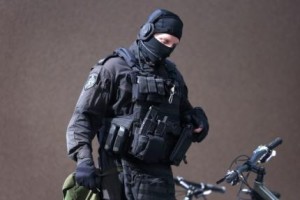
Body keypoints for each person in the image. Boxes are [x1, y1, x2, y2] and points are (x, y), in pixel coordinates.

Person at [66, 8, 209, 200]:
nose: (168, 49)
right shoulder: (114, 68)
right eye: (164, 41)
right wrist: (83, 161)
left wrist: (197, 120)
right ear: (146, 32)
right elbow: (83, 118)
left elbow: (183, 111)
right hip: (120, 174)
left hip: (160, 180)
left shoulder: (172, 76)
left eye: (174, 45)